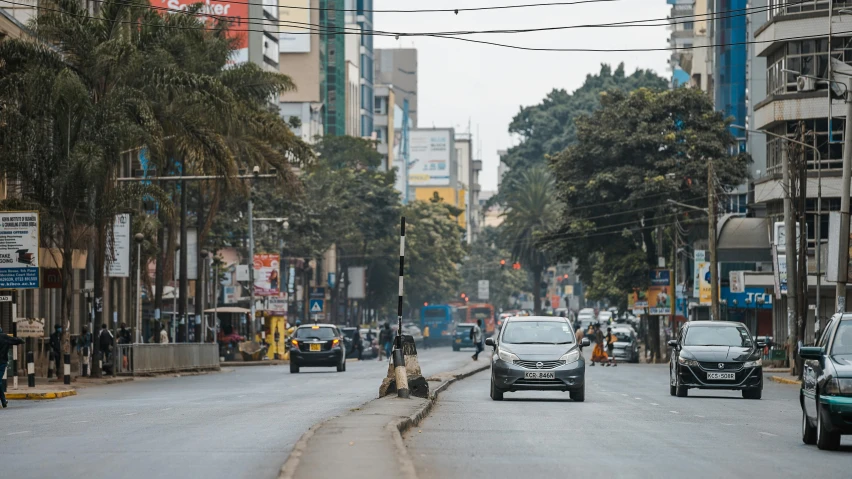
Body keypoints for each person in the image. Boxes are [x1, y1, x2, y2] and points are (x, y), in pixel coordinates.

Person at [0, 326, 24, 407]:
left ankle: (3, 401)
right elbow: (15, 340)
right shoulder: (4, 337)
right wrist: (21, 340)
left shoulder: (4, 337)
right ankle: (3, 401)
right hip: (2, 363)